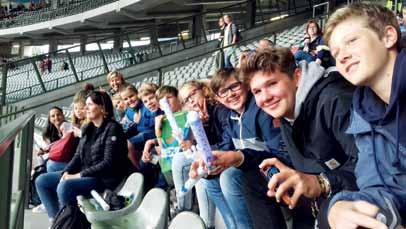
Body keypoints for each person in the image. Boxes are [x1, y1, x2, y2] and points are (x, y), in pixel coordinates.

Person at [240, 47, 358, 228]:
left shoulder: (335, 99)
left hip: (348, 196)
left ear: (296, 77)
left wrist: (322, 182)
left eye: (272, 84)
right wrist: (240, 158)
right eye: (257, 91)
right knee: (250, 177)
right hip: (315, 196)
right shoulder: (287, 111)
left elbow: (373, 167)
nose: (265, 98)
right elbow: (301, 165)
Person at [324, 3, 406, 228]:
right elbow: (381, 189)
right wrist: (341, 206)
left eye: (351, 41)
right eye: (335, 53)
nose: (342, 57)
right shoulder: (362, 114)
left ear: (388, 36)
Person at [190, 68, 287, 229]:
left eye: (234, 87)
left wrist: (237, 158)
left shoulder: (261, 110)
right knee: (210, 180)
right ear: (218, 98)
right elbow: (227, 147)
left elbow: (280, 154)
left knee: (231, 176)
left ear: (246, 85)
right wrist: (209, 163)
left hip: (275, 170)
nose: (230, 94)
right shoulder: (231, 117)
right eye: (223, 92)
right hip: (252, 168)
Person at [35, 91, 131, 220]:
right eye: (85, 105)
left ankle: (70, 223)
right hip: (87, 173)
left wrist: (76, 175)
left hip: (104, 179)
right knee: (42, 181)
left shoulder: (113, 128)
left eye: (89, 105)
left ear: (102, 107)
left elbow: (108, 163)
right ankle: (58, 220)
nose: (85, 108)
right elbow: (78, 155)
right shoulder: (88, 128)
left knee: (65, 187)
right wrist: (66, 172)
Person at [175, 80, 230, 228]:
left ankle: (205, 221)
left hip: (231, 161)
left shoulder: (220, 108)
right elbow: (190, 144)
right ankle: (202, 221)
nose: (191, 101)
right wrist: (202, 126)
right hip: (213, 166)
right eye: (186, 100)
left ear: (203, 90)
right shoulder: (195, 117)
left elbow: (228, 144)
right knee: (203, 177)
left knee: (206, 178)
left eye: (193, 94)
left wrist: (205, 125)